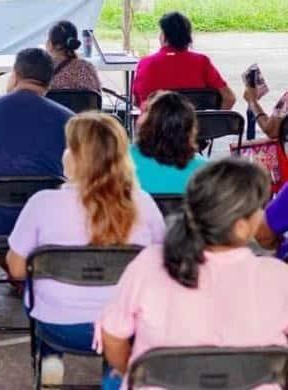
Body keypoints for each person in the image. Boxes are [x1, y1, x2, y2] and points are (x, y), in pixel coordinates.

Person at [6, 113, 165, 386]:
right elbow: (162, 263)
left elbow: (17, 269)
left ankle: (50, 372)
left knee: (44, 316)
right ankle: (114, 378)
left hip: (57, 324)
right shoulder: (144, 203)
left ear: (76, 157)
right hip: (123, 325)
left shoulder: (42, 203)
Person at [100, 159, 284, 388]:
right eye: (258, 208)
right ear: (241, 226)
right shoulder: (278, 278)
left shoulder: (148, 265)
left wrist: (140, 375)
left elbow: (113, 338)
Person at [0, 48, 73, 235]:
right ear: (49, 82)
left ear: (15, 75)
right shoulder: (68, 119)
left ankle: (14, 263)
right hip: (47, 222)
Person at [132, 12, 235, 108]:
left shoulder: (146, 63)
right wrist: (208, 123)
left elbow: (136, 102)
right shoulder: (202, 62)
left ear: (163, 37)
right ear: (188, 38)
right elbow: (229, 99)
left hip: (155, 126)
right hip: (192, 125)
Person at [130, 91, 207, 194]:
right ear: (189, 128)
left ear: (146, 124)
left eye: (144, 111)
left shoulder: (119, 161)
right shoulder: (205, 171)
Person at [45, 20, 101, 92]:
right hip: (84, 103)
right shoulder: (88, 67)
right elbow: (98, 96)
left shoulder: (44, 70)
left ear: (50, 44)